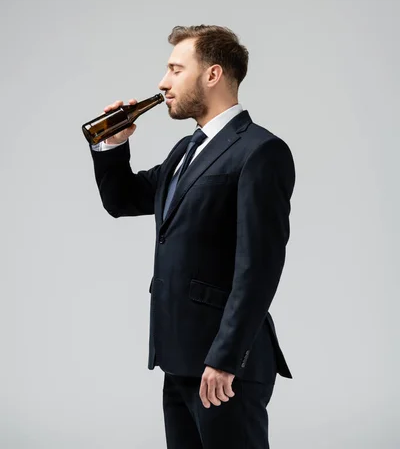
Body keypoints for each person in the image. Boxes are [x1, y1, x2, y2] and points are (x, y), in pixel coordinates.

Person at [89, 25, 296, 448]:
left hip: (223, 368)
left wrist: (224, 359)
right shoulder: (185, 151)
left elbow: (258, 267)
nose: (163, 83)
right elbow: (123, 199)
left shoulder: (260, 151)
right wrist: (112, 146)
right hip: (180, 358)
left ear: (212, 75)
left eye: (175, 69)